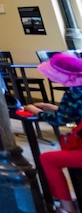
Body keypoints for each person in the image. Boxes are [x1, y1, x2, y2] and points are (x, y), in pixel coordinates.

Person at [24, 52, 82, 213]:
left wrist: (35, 110)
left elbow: (58, 120)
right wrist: (52, 107)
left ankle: (67, 207)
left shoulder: (75, 92)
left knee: (47, 159)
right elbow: (71, 113)